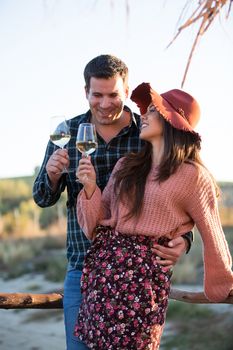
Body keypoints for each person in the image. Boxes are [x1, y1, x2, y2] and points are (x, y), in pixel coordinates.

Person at [33, 55, 192, 350]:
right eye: (97, 95)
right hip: (82, 266)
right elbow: (42, 197)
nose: (105, 103)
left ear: (127, 91)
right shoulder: (66, 133)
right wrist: (53, 177)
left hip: (136, 274)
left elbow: (180, 194)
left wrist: (184, 239)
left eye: (113, 95)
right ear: (86, 93)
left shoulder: (146, 133)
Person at [74, 82, 233, 349]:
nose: (143, 116)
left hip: (142, 281)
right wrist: (90, 188)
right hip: (103, 275)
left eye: (153, 111)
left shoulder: (194, 177)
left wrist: (223, 283)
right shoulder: (126, 166)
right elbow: (95, 226)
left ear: (173, 122)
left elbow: (212, 233)